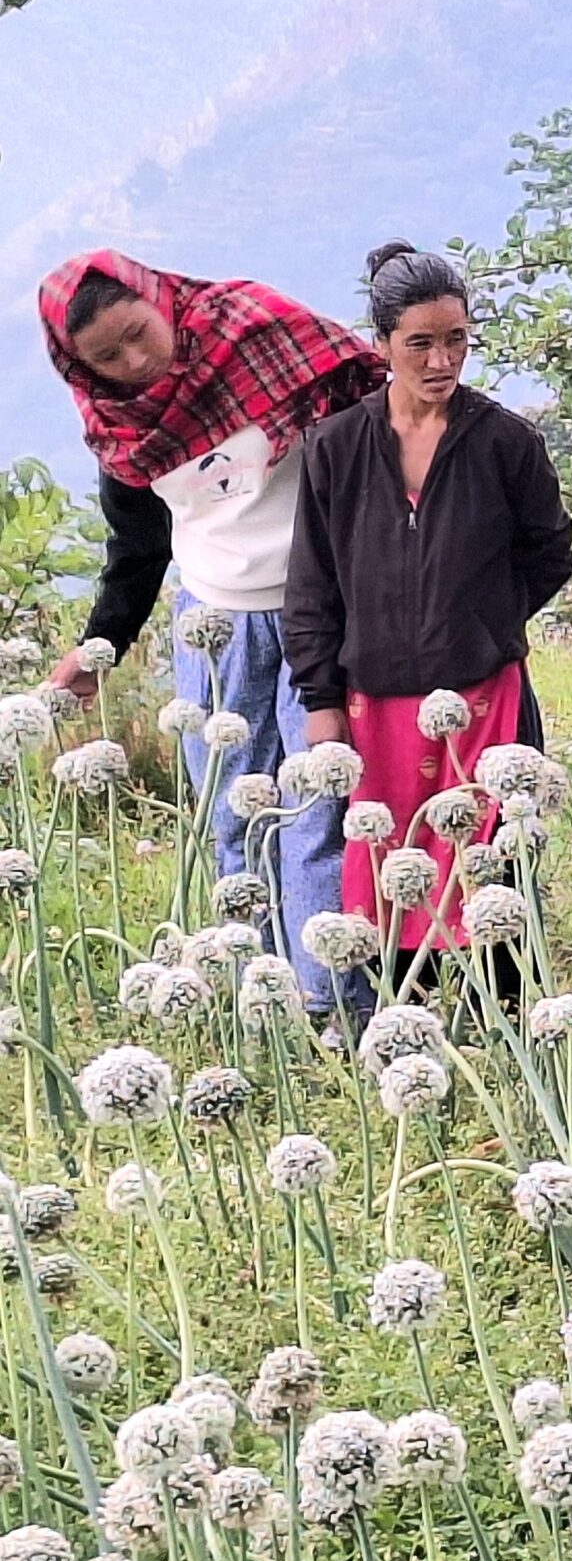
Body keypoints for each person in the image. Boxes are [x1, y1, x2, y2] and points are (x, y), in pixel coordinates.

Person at [39, 248, 383, 1011]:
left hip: (318, 611)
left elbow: (372, 413)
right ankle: (259, 997)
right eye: (106, 357)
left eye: (138, 333)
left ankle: (335, 1004)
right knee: (234, 809)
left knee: (320, 805)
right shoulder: (122, 430)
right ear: (82, 369)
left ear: (161, 301)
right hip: (214, 627)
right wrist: (99, 649)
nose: (134, 361)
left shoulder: (257, 334)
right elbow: (137, 551)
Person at [284, 244, 572, 1002]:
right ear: (381, 345)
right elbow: (312, 585)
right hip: (371, 705)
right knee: (391, 879)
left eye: (457, 340)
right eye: (421, 343)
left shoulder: (505, 443)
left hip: (484, 701)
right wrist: (320, 705)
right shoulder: (336, 447)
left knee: (491, 879)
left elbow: (550, 553)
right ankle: (404, 1038)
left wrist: (480, 623)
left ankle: (509, 1036)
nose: (443, 360)